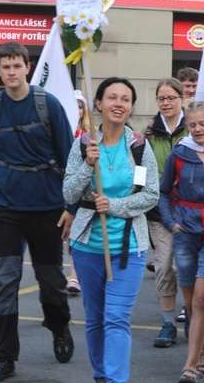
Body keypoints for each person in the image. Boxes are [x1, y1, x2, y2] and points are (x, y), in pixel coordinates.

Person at [0, 41, 75, 383]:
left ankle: (59, 327)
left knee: (52, 285)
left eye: (17, 65)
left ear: (27, 67)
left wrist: (70, 207)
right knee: (3, 283)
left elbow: (71, 160)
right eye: (5, 67)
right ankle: (4, 358)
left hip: (46, 208)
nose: (11, 72)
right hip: (4, 207)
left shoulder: (49, 106)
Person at [63, 77, 159, 383]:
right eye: (112, 97)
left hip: (129, 246)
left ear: (130, 107)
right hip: (87, 246)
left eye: (126, 99)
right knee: (95, 319)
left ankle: (116, 380)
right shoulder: (83, 144)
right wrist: (86, 165)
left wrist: (114, 205)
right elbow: (68, 193)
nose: (119, 103)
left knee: (117, 318)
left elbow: (150, 194)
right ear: (99, 104)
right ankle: (101, 375)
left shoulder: (141, 147)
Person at [159, 101, 204, 383]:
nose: (198, 129)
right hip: (185, 234)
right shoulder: (179, 154)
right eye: (192, 124)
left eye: (203, 123)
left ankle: (190, 365)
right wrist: (171, 224)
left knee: (202, 295)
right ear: (187, 126)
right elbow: (163, 192)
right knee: (190, 301)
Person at [145, 78, 187, 348]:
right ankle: (168, 324)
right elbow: (142, 168)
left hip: (191, 210)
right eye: (162, 98)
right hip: (159, 211)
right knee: (165, 267)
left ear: (181, 98)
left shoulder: (193, 126)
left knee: (186, 268)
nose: (166, 103)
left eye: (171, 97)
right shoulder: (149, 131)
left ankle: (194, 316)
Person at [67, 89, 91, 295]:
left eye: (80, 106)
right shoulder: (63, 130)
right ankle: (74, 275)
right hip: (67, 185)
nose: (77, 110)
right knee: (70, 232)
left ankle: (79, 274)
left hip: (86, 189)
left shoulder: (87, 135)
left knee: (82, 232)